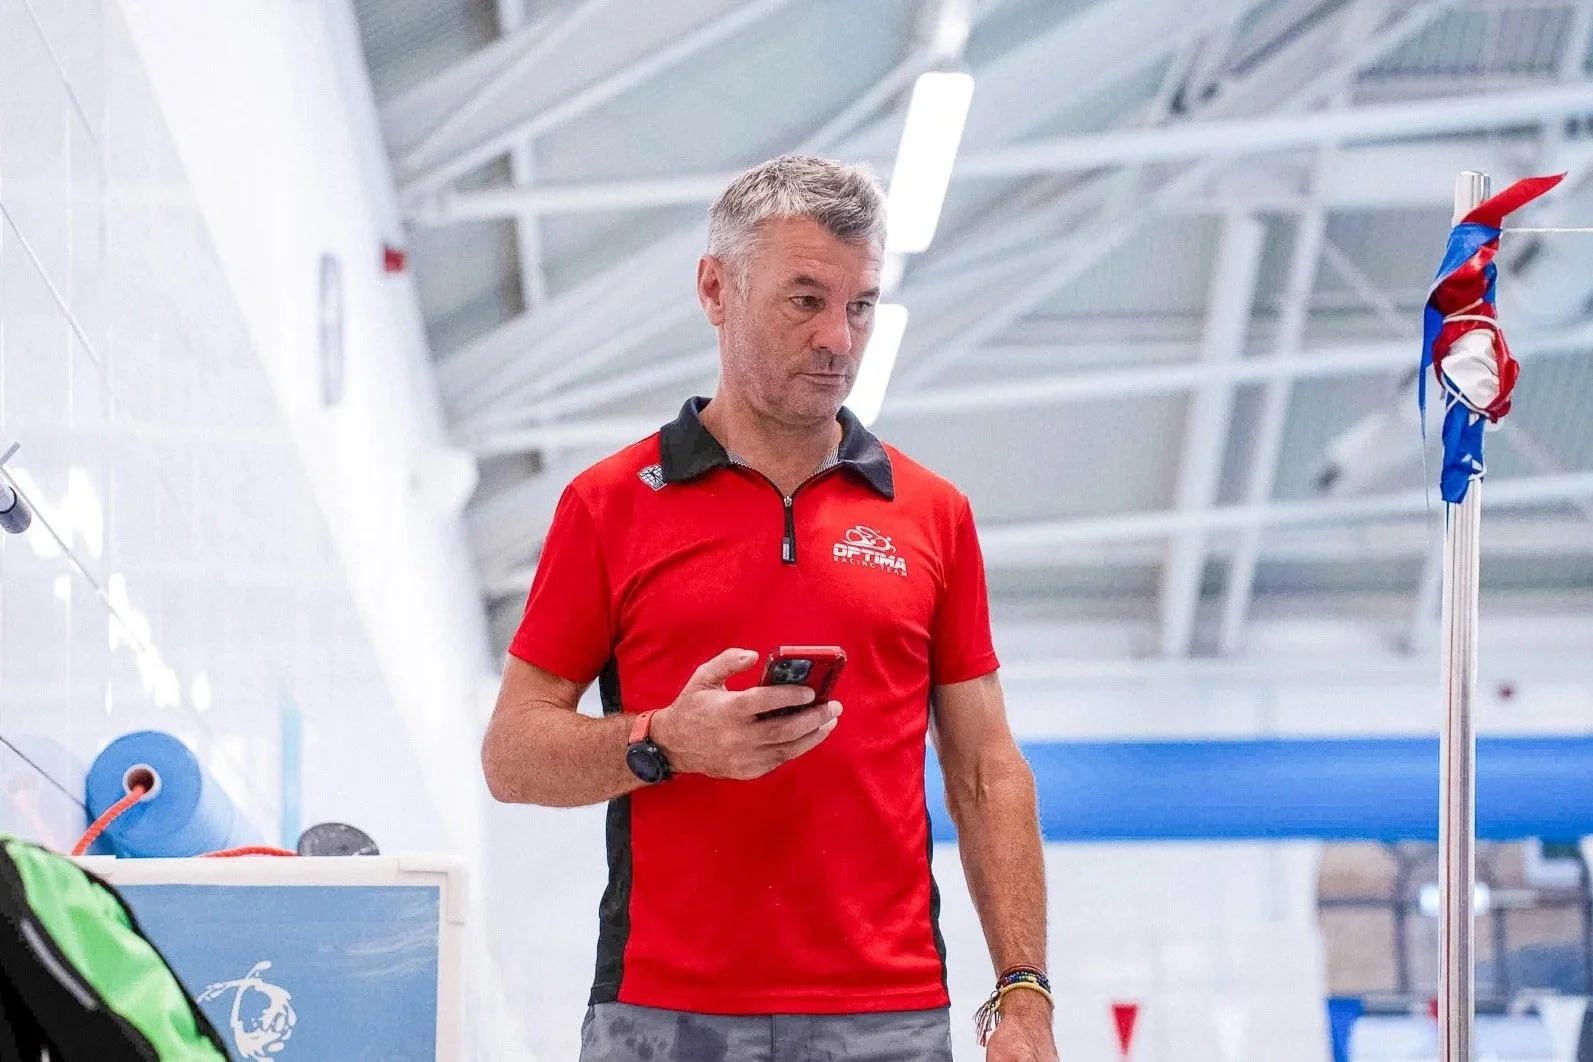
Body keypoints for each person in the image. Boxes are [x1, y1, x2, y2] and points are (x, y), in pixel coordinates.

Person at [482, 154, 1056, 1062]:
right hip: (660, 1014)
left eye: (860, 304)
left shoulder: (932, 514)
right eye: (804, 300)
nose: (839, 338)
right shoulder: (610, 503)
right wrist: (663, 742)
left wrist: (1022, 993)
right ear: (716, 289)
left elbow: (987, 770)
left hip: (887, 1013)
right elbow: (512, 756)